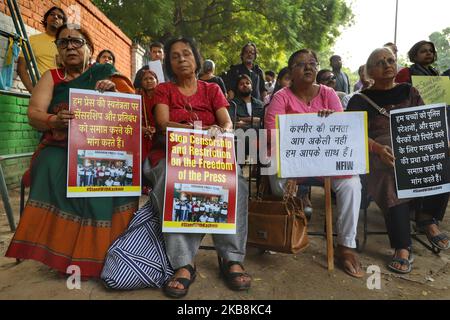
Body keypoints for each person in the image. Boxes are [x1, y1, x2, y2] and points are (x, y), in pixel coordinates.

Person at [5, 24, 139, 279]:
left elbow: (130, 103)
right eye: (63, 43)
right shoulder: (51, 76)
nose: (70, 47)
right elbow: (34, 114)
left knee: (112, 171)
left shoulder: (104, 72)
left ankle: (108, 251)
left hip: (103, 145)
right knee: (52, 166)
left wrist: (111, 90)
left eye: (76, 42)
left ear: (89, 49)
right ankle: (61, 250)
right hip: (60, 143)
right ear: (58, 52)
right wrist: (53, 121)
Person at [145, 37, 251, 298]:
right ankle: (184, 262)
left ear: (196, 58)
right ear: (169, 63)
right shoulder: (164, 90)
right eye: (174, 56)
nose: (181, 59)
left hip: (211, 154)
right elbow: (163, 124)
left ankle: (230, 257)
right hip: (172, 153)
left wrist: (217, 129)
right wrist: (197, 130)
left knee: (236, 181)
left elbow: (227, 124)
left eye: (186, 54)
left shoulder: (212, 89)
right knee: (171, 180)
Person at [347, 47, 450, 274]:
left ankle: (426, 217)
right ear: (370, 71)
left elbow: (425, 121)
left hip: (412, 148)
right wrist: (376, 148)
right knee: (390, 169)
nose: (387, 64)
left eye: (390, 60)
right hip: (377, 155)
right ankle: (402, 246)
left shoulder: (409, 91)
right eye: (380, 62)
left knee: (443, 155)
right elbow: (351, 134)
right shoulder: (360, 99)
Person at [265, 49, 363, 278]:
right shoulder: (281, 97)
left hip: (326, 162)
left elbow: (341, 132)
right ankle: (292, 221)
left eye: (312, 63)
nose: (308, 67)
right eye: (301, 64)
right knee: (275, 171)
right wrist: (292, 164)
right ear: (291, 72)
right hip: (292, 161)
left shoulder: (329, 94)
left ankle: (346, 246)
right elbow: (272, 135)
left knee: (352, 183)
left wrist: (332, 121)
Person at [17, 6, 67, 93]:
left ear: (63, 23)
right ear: (46, 19)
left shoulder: (67, 43)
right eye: (52, 14)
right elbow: (21, 68)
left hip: (64, 90)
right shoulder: (32, 40)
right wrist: (33, 91)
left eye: (59, 17)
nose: (55, 17)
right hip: (43, 90)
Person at [134, 66, 158, 194]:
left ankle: (155, 184)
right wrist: (142, 129)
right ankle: (143, 184)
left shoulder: (162, 95)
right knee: (142, 155)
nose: (149, 81)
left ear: (156, 80)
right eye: (145, 79)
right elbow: (131, 116)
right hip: (142, 131)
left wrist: (157, 129)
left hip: (158, 132)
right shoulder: (137, 95)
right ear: (141, 82)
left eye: (151, 78)